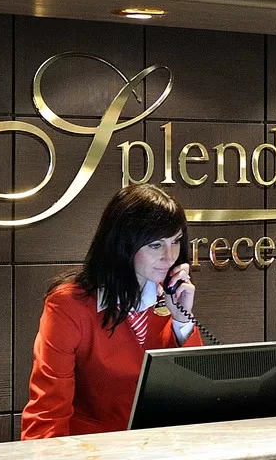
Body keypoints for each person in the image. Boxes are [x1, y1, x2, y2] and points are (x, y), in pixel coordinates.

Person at [21, 184, 198, 439]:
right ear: (123, 244)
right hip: (92, 453)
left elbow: (193, 394)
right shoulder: (68, 306)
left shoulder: (169, 297)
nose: (170, 257)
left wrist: (182, 320)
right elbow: (47, 414)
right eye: (155, 245)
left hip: (161, 449)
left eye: (176, 242)